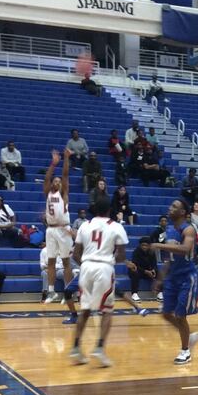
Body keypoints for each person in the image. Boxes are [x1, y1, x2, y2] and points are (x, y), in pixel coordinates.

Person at [67, 196, 129, 367]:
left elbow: (76, 254)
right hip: (104, 268)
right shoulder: (116, 226)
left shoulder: (84, 225)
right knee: (107, 310)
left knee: (85, 309)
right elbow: (122, 255)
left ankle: (76, 348)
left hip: (86, 268)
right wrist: (107, 261)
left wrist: (88, 263)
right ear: (110, 210)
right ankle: (99, 348)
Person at [151, 200, 198, 365]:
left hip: (187, 277)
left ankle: (185, 351)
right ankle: (190, 336)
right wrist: (160, 278)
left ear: (182, 212)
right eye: (170, 205)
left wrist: (159, 245)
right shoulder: (169, 230)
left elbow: (185, 249)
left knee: (180, 315)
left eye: (174, 206)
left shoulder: (188, 229)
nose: (170, 207)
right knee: (166, 314)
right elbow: (169, 259)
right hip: (172, 277)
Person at [43, 149, 74, 305]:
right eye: (54, 181)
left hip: (63, 229)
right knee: (51, 261)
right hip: (50, 229)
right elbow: (46, 178)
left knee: (66, 261)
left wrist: (66, 158)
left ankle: (68, 292)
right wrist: (53, 164)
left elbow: (66, 175)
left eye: (58, 181)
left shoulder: (63, 194)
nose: (56, 182)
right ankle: (51, 291)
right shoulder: (48, 193)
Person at [126, 237, 158, 302]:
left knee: (159, 272)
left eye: (146, 245)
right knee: (133, 272)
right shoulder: (136, 252)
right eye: (142, 245)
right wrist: (146, 271)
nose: (144, 247)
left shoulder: (152, 252)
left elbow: (154, 263)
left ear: (149, 246)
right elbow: (135, 265)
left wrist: (153, 270)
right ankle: (134, 293)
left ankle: (160, 292)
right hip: (139, 270)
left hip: (148, 271)